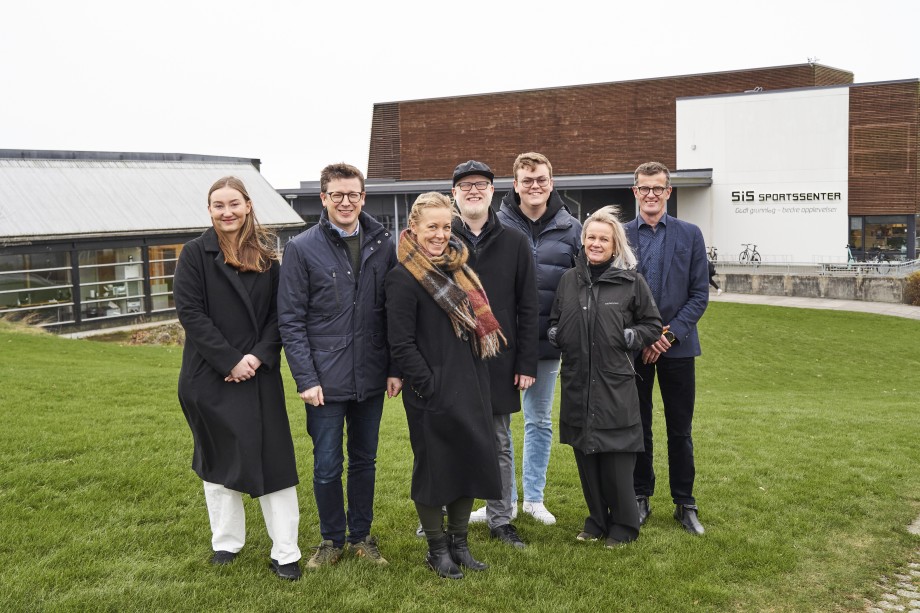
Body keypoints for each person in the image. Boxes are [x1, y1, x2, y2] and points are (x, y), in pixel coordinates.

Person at [174, 176, 302, 580]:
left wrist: (256, 357)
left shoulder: (268, 258)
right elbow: (190, 313)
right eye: (217, 205)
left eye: (233, 203)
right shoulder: (194, 255)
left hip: (259, 375)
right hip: (209, 375)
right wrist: (229, 360)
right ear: (209, 210)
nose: (226, 211)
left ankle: (287, 552)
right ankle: (226, 543)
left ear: (248, 205)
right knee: (218, 461)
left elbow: (278, 318)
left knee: (275, 462)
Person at [278, 162, 400, 569]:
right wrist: (306, 378)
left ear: (363, 197)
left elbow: (393, 313)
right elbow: (291, 320)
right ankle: (331, 540)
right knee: (328, 464)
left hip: (370, 375)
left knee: (365, 460)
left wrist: (394, 367)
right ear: (324, 199)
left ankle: (362, 537)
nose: (346, 202)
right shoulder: (301, 249)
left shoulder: (384, 244)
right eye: (337, 195)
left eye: (353, 194)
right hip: (323, 382)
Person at [386, 192, 503, 579]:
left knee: (468, 461)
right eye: (431, 227)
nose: (440, 235)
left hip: (470, 382)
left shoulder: (460, 268)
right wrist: (428, 385)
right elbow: (400, 342)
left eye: (445, 226)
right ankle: (437, 551)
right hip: (431, 391)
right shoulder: (403, 277)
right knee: (435, 470)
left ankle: (460, 544)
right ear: (414, 228)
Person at [547, 206, 662, 548]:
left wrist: (630, 338)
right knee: (587, 455)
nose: (596, 243)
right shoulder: (569, 280)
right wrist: (557, 333)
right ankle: (596, 520)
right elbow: (554, 319)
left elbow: (652, 324)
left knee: (617, 460)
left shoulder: (631, 282)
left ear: (615, 245)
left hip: (615, 384)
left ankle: (624, 527)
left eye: (603, 239)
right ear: (582, 241)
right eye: (591, 237)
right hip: (578, 381)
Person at [451, 161, 539, 549]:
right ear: (454, 193)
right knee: (449, 440)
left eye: (481, 184)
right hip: (450, 359)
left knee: (500, 442)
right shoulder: (440, 239)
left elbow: (528, 307)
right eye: (466, 185)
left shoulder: (516, 241)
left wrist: (526, 363)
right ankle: (444, 517)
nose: (474, 190)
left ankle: (501, 519)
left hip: (499, 359)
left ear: (492, 191)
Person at [497, 152, 582, 525]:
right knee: (497, 422)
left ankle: (533, 498)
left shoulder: (571, 227)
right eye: (527, 180)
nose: (535, 186)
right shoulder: (496, 223)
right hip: (499, 343)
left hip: (547, 342)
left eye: (541, 179)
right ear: (515, 184)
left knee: (539, 420)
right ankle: (502, 500)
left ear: (552, 182)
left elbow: (583, 285)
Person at [626, 162, 710, 535]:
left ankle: (684, 503)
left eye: (658, 188)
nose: (651, 195)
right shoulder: (622, 234)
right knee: (638, 427)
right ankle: (640, 496)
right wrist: (645, 337)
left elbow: (699, 294)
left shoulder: (690, 234)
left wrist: (668, 336)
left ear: (668, 192)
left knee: (680, 429)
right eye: (645, 188)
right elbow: (616, 291)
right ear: (635, 191)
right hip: (635, 350)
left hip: (677, 348)